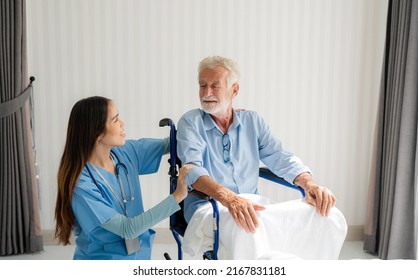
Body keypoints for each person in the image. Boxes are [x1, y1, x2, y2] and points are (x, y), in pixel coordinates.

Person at [176, 55, 348, 260]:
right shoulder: (191, 122)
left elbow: (281, 157)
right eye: (202, 85)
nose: (206, 92)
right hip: (209, 206)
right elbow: (192, 170)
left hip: (253, 204)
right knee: (248, 227)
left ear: (234, 90)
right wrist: (230, 198)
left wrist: (309, 184)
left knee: (326, 216)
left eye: (215, 86)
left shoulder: (253, 121)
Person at [54, 96, 193, 260]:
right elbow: (127, 229)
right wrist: (177, 196)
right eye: (115, 120)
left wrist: (208, 120)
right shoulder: (81, 185)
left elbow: (172, 143)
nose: (123, 122)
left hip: (139, 256)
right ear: (97, 133)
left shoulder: (124, 153)